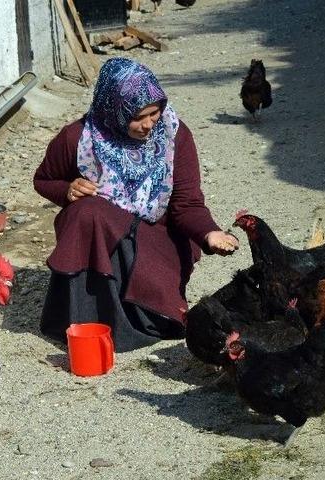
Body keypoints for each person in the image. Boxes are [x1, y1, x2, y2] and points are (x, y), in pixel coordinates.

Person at [33, 58, 238, 352]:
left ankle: (143, 317)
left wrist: (209, 233)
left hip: (159, 235)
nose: (147, 125)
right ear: (113, 110)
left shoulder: (174, 136)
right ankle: (89, 322)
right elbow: (44, 180)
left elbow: (187, 203)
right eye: (137, 117)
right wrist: (67, 190)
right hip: (102, 230)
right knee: (86, 212)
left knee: (120, 231)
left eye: (154, 113)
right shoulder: (78, 138)